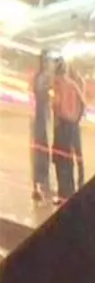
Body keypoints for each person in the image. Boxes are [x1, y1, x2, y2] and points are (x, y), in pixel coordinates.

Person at [53, 53, 86, 201]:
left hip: (62, 125)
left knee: (60, 159)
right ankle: (71, 190)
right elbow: (83, 102)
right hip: (72, 124)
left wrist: (56, 115)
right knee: (70, 158)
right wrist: (77, 118)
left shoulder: (58, 83)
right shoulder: (74, 84)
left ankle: (62, 193)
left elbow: (57, 103)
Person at [31, 50, 55, 205]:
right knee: (41, 152)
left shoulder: (40, 76)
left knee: (41, 152)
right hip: (41, 118)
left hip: (41, 118)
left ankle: (40, 184)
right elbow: (40, 92)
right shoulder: (42, 77)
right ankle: (41, 184)